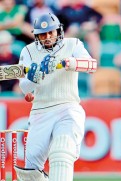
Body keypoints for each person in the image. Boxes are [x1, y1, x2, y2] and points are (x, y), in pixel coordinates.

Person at [14, 13, 96, 180]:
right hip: (40, 112)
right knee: (30, 173)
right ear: (36, 35)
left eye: (51, 32)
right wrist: (35, 76)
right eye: (43, 34)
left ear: (59, 31)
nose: (48, 37)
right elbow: (24, 87)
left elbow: (91, 65)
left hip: (67, 108)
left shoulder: (73, 44)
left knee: (61, 153)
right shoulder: (28, 51)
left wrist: (68, 63)